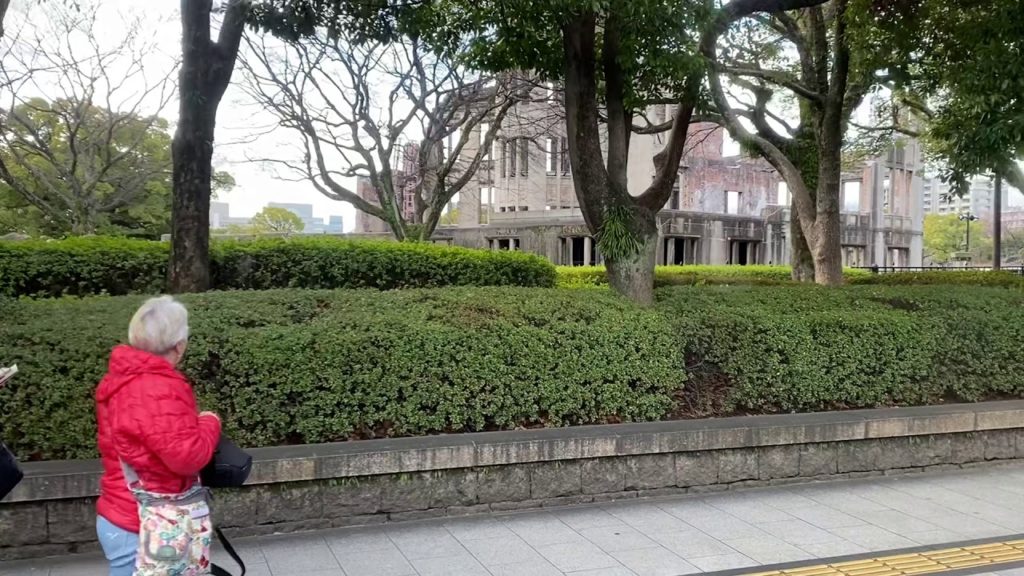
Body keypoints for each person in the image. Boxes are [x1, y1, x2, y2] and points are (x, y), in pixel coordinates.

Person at [95, 296, 221, 576]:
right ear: (180, 345)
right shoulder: (157, 387)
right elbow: (188, 457)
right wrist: (210, 422)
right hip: (145, 523)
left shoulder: (121, 377)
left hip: (121, 512)